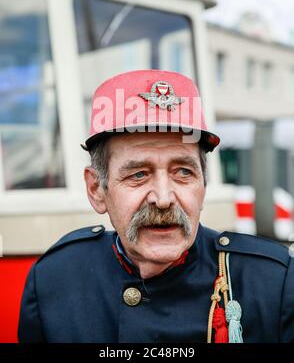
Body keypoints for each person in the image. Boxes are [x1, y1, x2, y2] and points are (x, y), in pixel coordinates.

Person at [18, 70, 294, 343]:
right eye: (138, 174)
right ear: (96, 190)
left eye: (184, 172)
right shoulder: (53, 279)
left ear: (204, 184)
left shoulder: (274, 283)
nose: (163, 199)